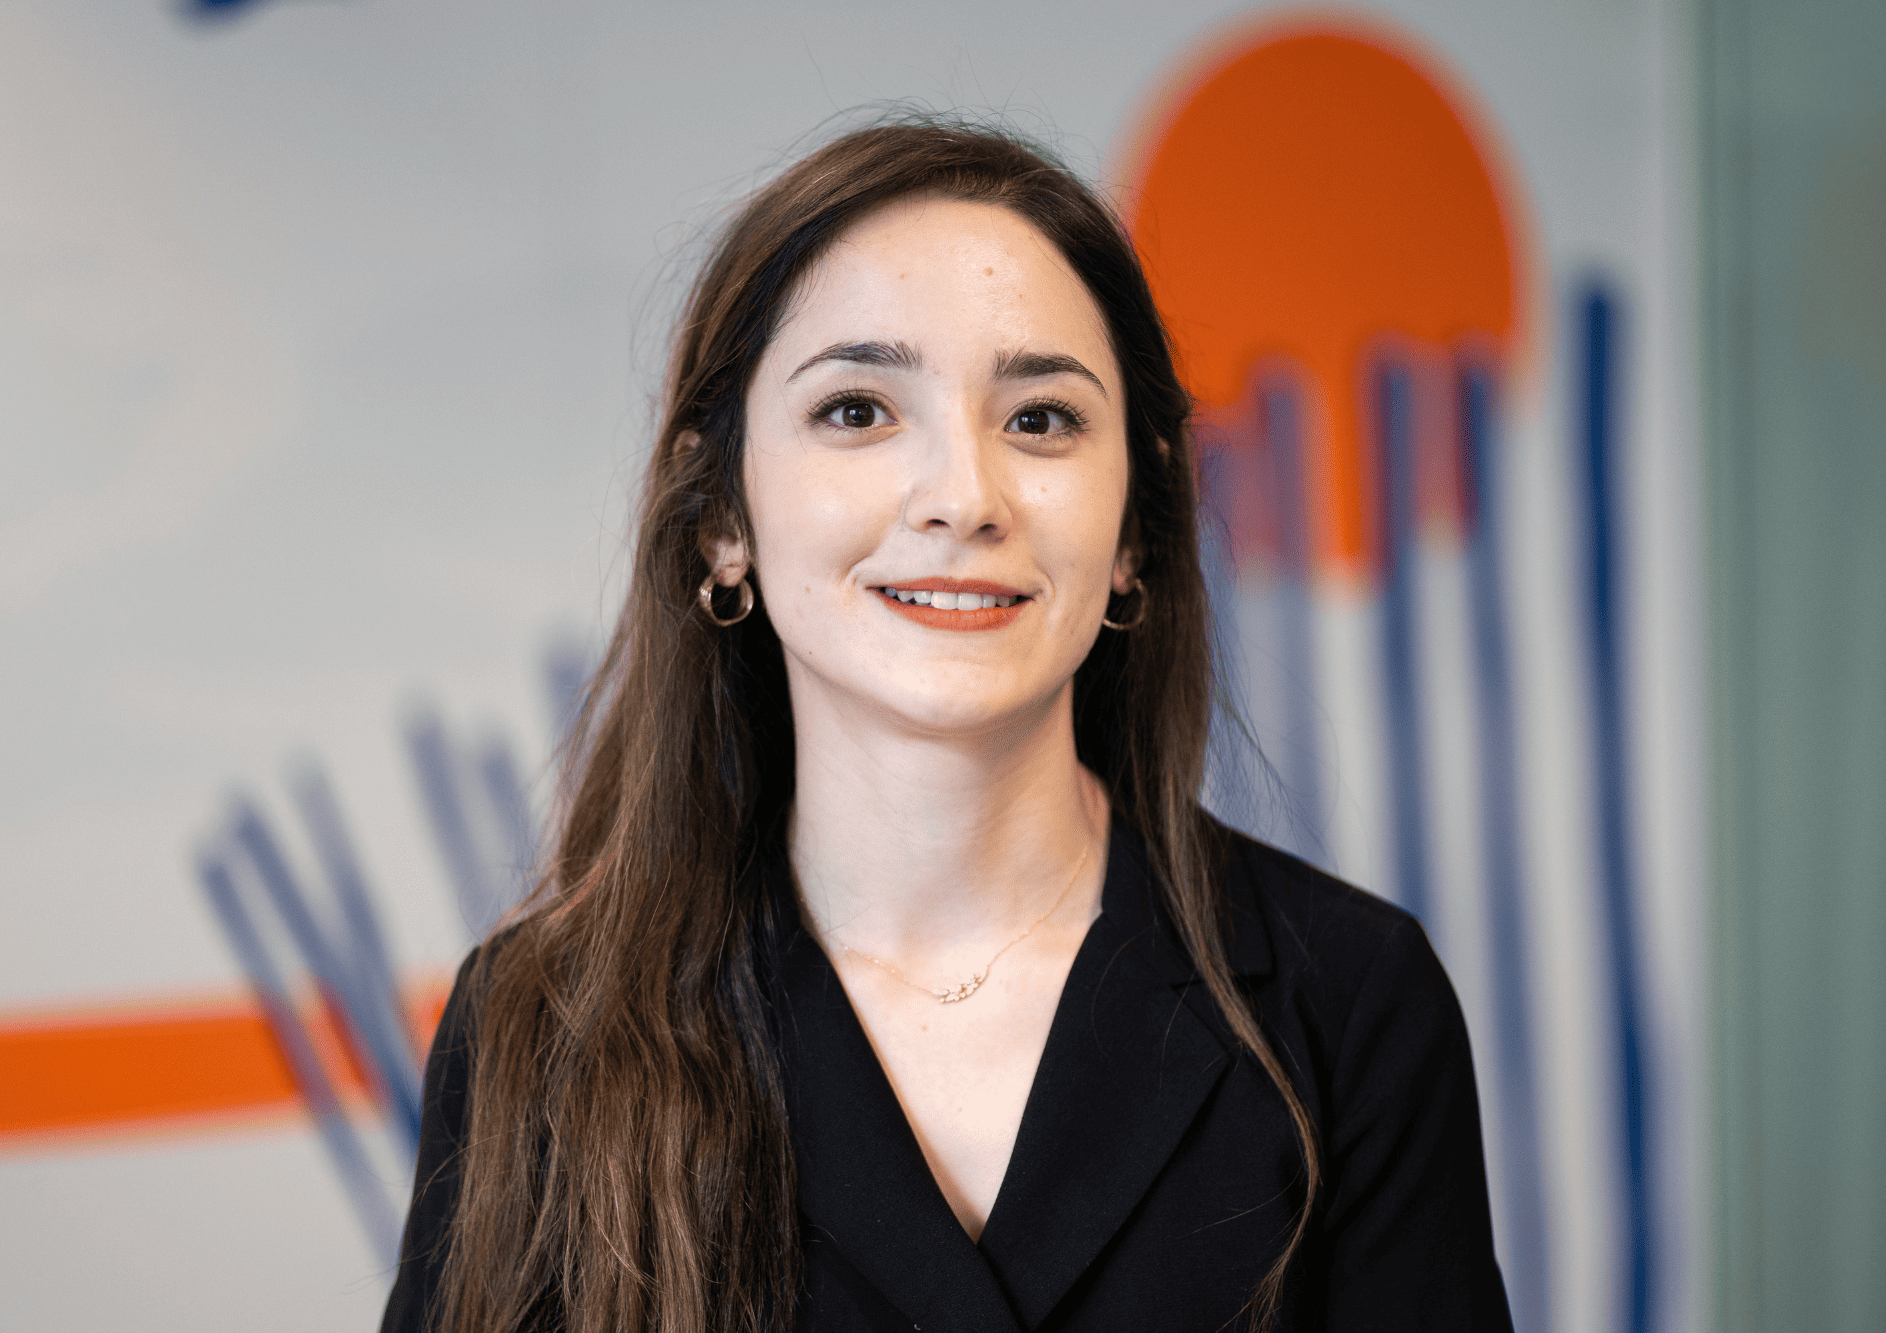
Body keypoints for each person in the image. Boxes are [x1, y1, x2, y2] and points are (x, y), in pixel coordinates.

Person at [381, 119, 1510, 1333]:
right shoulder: (544, 1021)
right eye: (858, 410)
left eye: (1039, 420)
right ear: (723, 519)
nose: (962, 498)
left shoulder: (1344, 1001)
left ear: (1136, 530)